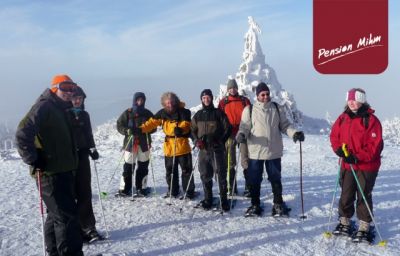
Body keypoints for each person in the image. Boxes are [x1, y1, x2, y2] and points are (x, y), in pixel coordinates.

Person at [15, 74, 83, 255]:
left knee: (56, 217)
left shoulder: (61, 108)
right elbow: (23, 133)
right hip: (50, 174)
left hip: (63, 170)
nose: (69, 92)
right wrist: (34, 158)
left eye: (72, 88)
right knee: (67, 218)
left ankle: (54, 252)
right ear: (54, 88)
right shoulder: (44, 106)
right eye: (65, 87)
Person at [236, 82, 305, 217]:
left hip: (273, 151)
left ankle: (278, 203)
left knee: (275, 178)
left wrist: (295, 133)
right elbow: (244, 127)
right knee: (254, 180)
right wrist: (242, 135)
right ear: (257, 96)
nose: (266, 96)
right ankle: (255, 204)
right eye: (263, 94)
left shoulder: (277, 108)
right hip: (256, 151)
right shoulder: (249, 110)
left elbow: (285, 125)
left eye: (267, 94)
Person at [330, 88, 383, 242]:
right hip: (347, 164)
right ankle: (345, 221)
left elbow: (375, 146)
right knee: (346, 194)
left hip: (366, 167)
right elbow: (334, 136)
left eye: (355, 99)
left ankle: (364, 225)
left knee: (363, 195)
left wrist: (357, 157)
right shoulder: (343, 118)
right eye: (349, 100)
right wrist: (338, 149)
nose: (351, 102)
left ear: (362, 100)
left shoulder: (371, 120)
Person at [140, 92, 196, 199]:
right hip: (169, 148)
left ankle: (189, 192)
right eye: (167, 103)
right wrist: (140, 129)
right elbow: (151, 123)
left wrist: (181, 129)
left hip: (182, 147)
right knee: (170, 171)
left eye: (171, 102)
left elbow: (187, 125)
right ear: (164, 104)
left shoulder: (184, 112)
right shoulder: (162, 113)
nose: (169, 104)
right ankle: (173, 191)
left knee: (186, 171)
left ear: (175, 101)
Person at [68, 86, 103, 243]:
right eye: (74, 97)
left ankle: (88, 228)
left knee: (84, 192)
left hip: (82, 156)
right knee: (68, 194)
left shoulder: (84, 115)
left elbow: (88, 134)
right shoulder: (63, 114)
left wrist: (92, 149)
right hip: (67, 158)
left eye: (80, 98)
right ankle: (70, 230)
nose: (77, 100)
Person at [192, 89, 232, 211]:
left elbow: (228, 128)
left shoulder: (218, 113)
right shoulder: (198, 115)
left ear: (211, 98)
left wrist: (220, 140)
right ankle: (208, 198)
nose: (206, 100)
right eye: (204, 98)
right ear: (201, 100)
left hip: (216, 149)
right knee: (205, 174)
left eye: (208, 97)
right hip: (203, 150)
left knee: (220, 174)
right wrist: (196, 141)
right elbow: (192, 130)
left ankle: (224, 200)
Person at [116, 92, 155, 197]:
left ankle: (141, 188)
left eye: (142, 100)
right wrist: (127, 131)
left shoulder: (147, 113)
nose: (140, 102)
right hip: (130, 143)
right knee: (128, 166)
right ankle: (125, 189)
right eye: (138, 100)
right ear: (134, 100)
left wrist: (144, 129)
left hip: (144, 143)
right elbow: (119, 124)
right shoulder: (128, 113)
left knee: (143, 165)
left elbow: (154, 126)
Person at [218, 78, 251, 196]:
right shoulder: (223, 102)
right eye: (230, 88)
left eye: (234, 87)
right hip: (229, 133)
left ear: (237, 88)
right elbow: (219, 118)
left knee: (245, 159)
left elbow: (251, 115)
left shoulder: (244, 100)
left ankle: (249, 186)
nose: (233, 90)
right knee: (230, 161)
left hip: (243, 132)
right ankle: (231, 186)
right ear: (227, 90)